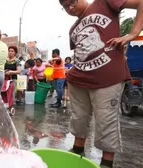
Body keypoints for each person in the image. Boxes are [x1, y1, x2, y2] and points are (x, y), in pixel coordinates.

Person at [59, 0, 143, 167]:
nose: (70, 8)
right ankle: (77, 151)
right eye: (65, 6)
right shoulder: (73, 29)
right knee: (79, 117)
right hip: (79, 79)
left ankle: (106, 162)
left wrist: (133, 33)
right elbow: (82, 52)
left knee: (106, 120)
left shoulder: (104, 2)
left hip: (107, 78)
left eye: (72, 2)